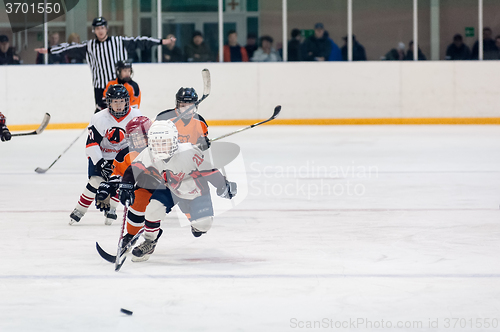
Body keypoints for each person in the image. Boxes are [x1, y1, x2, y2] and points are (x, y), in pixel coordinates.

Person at [118, 120, 237, 262]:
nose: (160, 147)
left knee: (203, 225)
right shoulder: (149, 153)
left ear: (174, 141)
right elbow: (134, 168)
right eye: (156, 143)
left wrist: (222, 185)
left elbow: (209, 170)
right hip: (170, 189)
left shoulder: (189, 152)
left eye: (164, 143)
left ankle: (195, 221)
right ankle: (149, 242)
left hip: (195, 191)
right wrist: (126, 185)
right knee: (152, 209)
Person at [34, 17, 176, 112]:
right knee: (102, 116)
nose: (100, 31)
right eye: (97, 28)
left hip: (120, 85)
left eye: (102, 28)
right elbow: (69, 48)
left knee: (121, 114)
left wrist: (163, 41)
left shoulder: (119, 42)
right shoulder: (89, 46)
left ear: (106, 28)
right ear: (94, 30)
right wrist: (49, 50)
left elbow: (141, 41)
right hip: (100, 86)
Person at [69, 84, 141, 226]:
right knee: (96, 181)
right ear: (109, 103)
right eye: (115, 101)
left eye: (121, 101)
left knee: (121, 181)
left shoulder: (136, 117)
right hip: (101, 155)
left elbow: (139, 144)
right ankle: (79, 210)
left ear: (127, 101)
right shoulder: (99, 118)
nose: (119, 105)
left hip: (122, 158)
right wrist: (101, 162)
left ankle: (112, 209)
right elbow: (91, 144)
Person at [95, 116, 154, 249]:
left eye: (140, 136)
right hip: (144, 190)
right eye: (133, 137)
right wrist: (107, 188)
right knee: (137, 203)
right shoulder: (124, 155)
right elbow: (117, 176)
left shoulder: (160, 149)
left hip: (167, 189)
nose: (137, 140)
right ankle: (131, 235)